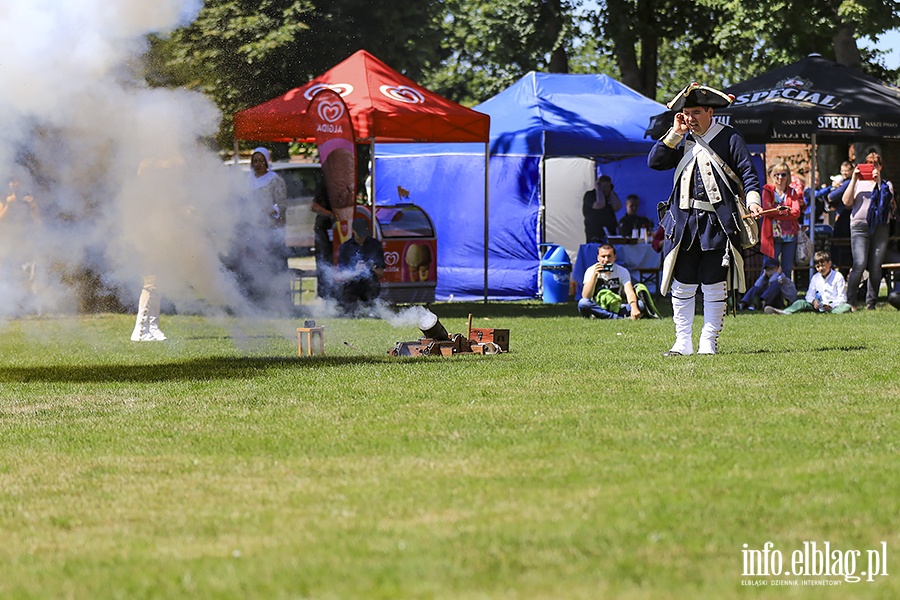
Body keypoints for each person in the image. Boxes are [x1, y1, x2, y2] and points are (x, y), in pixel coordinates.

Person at [647, 82, 761, 356]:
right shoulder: (679, 138)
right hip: (684, 223)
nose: (691, 118)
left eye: (696, 112)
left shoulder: (729, 137)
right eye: (686, 113)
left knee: (713, 282)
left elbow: (748, 174)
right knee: (683, 281)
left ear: (711, 111)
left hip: (717, 224)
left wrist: (754, 202)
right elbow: (655, 161)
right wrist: (675, 132)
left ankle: (708, 340)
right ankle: (682, 342)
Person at [841, 152, 895, 310]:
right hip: (859, 227)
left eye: (876, 163)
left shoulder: (886, 184)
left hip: (880, 227)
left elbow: (888, 201)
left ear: (881, 166)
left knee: (876, 265)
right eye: (869, 163)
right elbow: (846, 202)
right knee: (859, 263)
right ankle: (851, 301)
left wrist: (878, 182)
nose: (873, 166)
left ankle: (871, 303)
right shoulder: (857, 183)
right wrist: (853, 179)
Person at [764, 251, 851, 314]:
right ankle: (785, 312)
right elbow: (809, 295)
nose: (821, 269)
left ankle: (831, 312)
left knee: (846, 307)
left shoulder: (838, 276)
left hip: (832, 305)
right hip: (817, 306)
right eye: (818, 266)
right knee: (800, 302)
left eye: (823, 265)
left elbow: (842, 298)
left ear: (829, 263)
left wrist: (830, 306)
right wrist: (813, 301)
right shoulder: (815, 277)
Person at [577, 244, 645, 319]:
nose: (606, 260)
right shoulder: (591, 270)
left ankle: (605, 315)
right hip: (597, 306)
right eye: (603, 256)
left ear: (614, 257)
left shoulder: (622, 271)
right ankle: (616, 317)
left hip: (616, 307)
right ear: (598, 258)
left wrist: (634, 308)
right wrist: (594, 276)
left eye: (609, 256)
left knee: (640, 304)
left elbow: (629, 292)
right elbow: (586, 296)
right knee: (583, 303)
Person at [760, 162, 804, 278]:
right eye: (777, 175)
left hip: (790, 236)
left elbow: (796, 212)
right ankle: (763, 294)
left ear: (788, 176)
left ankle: (786, 295)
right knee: (768, 268)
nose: (780, 178)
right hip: (772, 236)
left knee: (787, 269)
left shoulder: (792, 191)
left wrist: (776, 212)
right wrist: (786, 211)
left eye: (783, 174)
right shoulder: (767, 190)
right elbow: (767, 211)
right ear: (772, 176)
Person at [336, 218, 385, 310]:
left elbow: (381, 273)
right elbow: (341, 276)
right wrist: (355, 271)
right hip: (352, 285)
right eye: (360, 233)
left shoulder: (375, 245)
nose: (362, 237)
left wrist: (371, 269)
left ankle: (371, 308)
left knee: (372, 304)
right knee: (350, 310)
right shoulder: (346, 247)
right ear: (353, 231)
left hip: (370, 284)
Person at [310, 184, 334, 298]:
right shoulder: (325, 186)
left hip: (336, 229)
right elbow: (314, 206)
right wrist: (331, 215)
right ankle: (325, 294)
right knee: (324, 260)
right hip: (324, 229)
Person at [582, 174, 621, 242]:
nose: (606, 189)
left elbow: (617, 207)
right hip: (595, 233)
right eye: (604, 186)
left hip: (610, 232)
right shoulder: (590, 195)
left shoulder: (611, 195)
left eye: (608, 186)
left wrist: (611, 191)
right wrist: (598, 190)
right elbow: (600, 204)